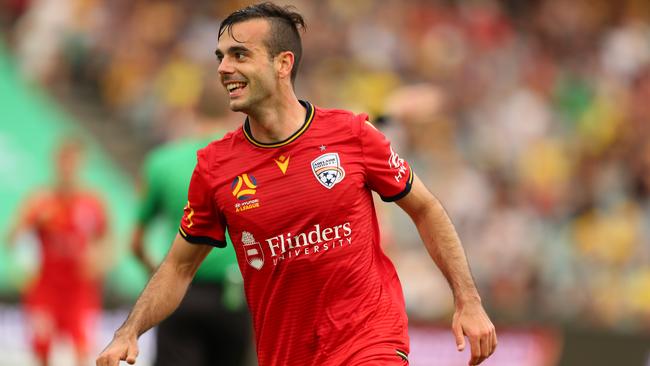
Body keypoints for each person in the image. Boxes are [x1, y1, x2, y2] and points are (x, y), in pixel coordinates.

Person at [97, 3, 497, 366]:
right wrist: (129, 331)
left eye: (239, 55)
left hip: (369, 341)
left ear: (283, 63)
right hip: (287, 354)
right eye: (220, 57)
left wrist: (468, 301)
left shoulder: (352, 134)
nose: (222, 68)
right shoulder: (214, 168)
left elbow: (425, 208)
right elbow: (179, 267)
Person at [130, 97, 251, 366]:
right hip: (235, 294)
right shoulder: (248, 161)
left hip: (179, 291)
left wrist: (157, 273)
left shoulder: (162, 162)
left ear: (192, 113)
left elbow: (136, 242)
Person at [7, 138, 110, 366]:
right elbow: (11, 238)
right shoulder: (40, 200)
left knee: (83, 351)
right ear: (55, 163)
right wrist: (29, 225)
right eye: (64, 162)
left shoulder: (92, 202)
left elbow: (108, 240)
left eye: (73, 162)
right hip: (46, 288)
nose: (67, 168)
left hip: (79, 290)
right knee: (42, 349)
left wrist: (99, 260)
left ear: (81, 164)